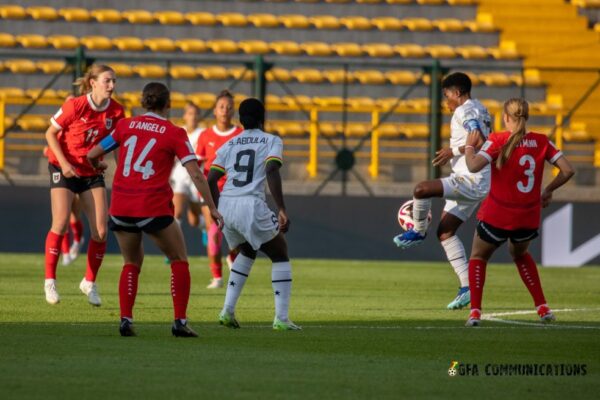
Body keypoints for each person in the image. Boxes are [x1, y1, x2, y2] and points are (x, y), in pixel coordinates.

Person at [86, 82, 223, 337]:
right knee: (179, 259)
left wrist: (99, 166)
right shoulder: (174, 132)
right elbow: (195, 172)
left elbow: (92, 154)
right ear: (168, 104)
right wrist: (211, 206)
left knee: (131, 262)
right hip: (152, 206)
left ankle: (126, 319)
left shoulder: (124, 126)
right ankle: (179, 322)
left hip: (121, 205)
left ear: (143, 102)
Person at [462, 98, 574, 327]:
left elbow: (473, 166)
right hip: (527, 217)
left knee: (478, 257)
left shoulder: (497, 140)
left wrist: (469, 147)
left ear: (505, 117)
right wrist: (548, 190)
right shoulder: (542, 141)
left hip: (497, 215)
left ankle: (474, 313)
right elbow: (568, 170)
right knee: (521, 255)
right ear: (527, 116)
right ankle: (542, 307)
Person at [393, 72, 492, 310]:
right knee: (446, 232)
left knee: (421, 189)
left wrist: (453, 150)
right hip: (476, 178)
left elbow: (476, 138)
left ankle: (417, 230)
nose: (446, 101)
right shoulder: (481, 107)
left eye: (447, 95)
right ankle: (467, 287)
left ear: (457, 93)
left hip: (471, 178)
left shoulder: (464, 110)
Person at [208, 97, 300, 331]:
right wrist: (281, 208)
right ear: (262, 119)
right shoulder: (271, 140)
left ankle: (227, 311)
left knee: (247, 251)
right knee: (280, 253)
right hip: (250, 204)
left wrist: (215, 209)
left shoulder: (229, 144)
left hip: (227, 203)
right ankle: (281, 318)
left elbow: (211, 178)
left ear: (240, 119)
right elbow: (271, 168)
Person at [44, 65, 124, 306]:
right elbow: (50, 134)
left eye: (114, 81)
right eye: (107, 81)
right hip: (63, 168)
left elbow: (116, 143)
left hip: (90, 172)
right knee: (60, 224)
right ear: (93, 83)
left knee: (100, 230)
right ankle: (50, 281)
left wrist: (115, 168)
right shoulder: (75, 105)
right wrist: (65, 163)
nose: (111, 86)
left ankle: (89, 282)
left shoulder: (118, 111)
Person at [196, 90, 243, 288]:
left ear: (234, 110)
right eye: (221, 106)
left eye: (229, 106)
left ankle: (232, 256)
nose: (225, 110)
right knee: (214, 233)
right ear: (215, 110)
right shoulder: (205, 135)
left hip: (234, 193)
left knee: (236, 235)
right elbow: (198, 165)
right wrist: (200, 190)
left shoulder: (240, 134)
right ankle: (217, 277)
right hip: (211, 192)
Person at [170, 102, 205, 230]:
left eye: (196, 114)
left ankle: (205, 227)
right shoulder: (178, 132)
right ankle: (174, 246)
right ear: (185, 116)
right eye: (190, 114)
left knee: (194, 220)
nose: (193, 117)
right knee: (176, 213)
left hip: (196, 178)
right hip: (179, 176)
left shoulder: (204, 133)